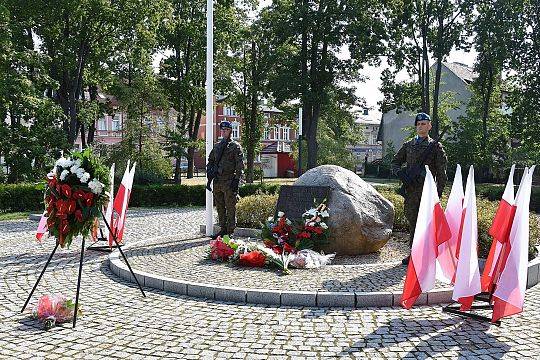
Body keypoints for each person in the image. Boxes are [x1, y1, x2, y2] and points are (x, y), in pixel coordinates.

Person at [391, 112, 447, 265]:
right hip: (410, 192)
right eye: (419, 124)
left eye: (424, 123)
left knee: (426, 224)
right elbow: (394, 163)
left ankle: (426, 254)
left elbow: (442, 174)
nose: (421, 126)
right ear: (416, 127)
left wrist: (438, 194)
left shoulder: (435, 147)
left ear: (429, 126)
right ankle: (414, 254)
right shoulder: (408, 145)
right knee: (413, 222)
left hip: (427, 193)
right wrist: (401, 173)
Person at [206, 121, 244, 239]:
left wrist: (236, 180)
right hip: (218, 181)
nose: (224, 132)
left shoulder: (235, 146)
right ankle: (222, 229)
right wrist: (210, 172)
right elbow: (210, 161)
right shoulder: (217, 146)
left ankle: (230, 231)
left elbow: (240, 165)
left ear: (230, 131)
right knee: (220, 207)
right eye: (222, 130)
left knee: (231, 207)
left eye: (226, 130)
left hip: (229, 181)